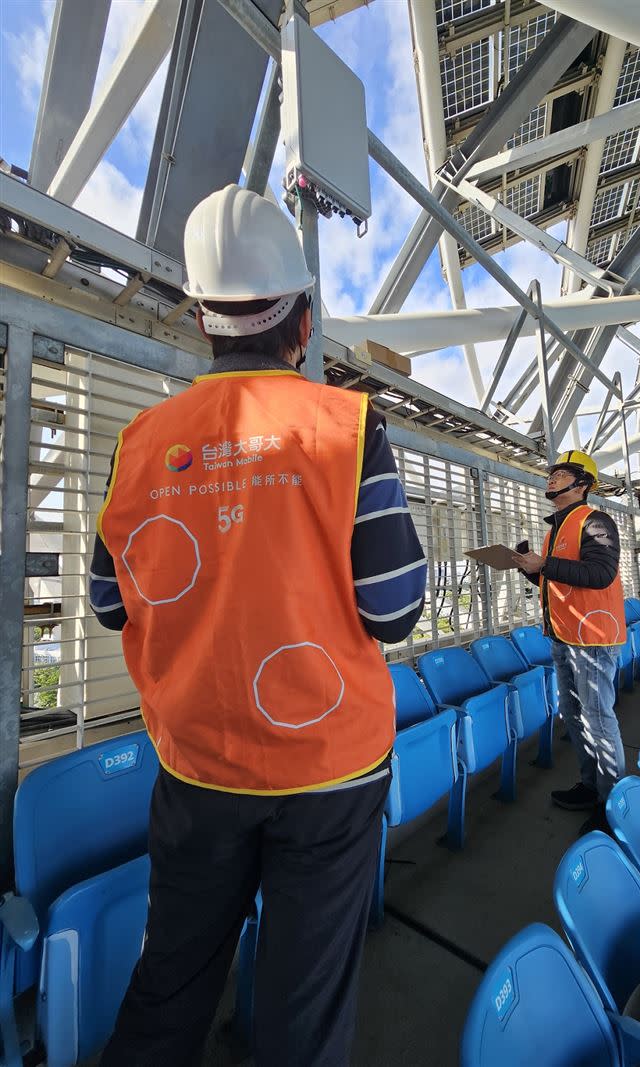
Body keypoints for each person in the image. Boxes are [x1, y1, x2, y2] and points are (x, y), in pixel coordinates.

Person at [89, 184, 427, 1067]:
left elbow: (109, 603)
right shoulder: (350, 429)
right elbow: (393, 609)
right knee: (299, 1006)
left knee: (171, 981)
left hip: (198, 763)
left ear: (205, 318)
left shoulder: (141, 443)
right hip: (329, 768)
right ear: (301, 324)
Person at [512, 450, 626, 835]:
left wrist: (543, 565)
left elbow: (600, 574)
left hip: (592, 640)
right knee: (574, 716)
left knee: (598, 719)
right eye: (551, 473)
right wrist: (531, 568)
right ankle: (590, 787)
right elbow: (556, 582)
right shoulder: (554, 531)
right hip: (563, 637)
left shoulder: (596, 521)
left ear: (583, 484)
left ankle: (613, 805)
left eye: (561, 474)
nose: (551, 478)